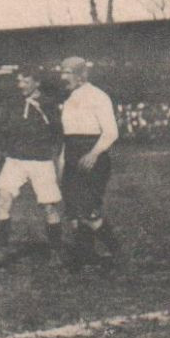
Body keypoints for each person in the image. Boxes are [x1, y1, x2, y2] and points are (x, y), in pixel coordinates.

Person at [0, 69, 64, 267]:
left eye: (25, 81)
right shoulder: (11, 103)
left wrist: (60, 157)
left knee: (49, 207)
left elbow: (59, 133)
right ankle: (1, 250)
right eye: (19, 81)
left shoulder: (49, 104)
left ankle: (56, 251)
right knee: (3, 200)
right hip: (15, 160)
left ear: (36, 82)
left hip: (41, 162)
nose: (20, 85)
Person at [58, 56, 120, 272]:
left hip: (93, 157)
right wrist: (63, 161)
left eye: (67, 73)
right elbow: (68, 136)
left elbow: (111, 132)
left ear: (81, 75)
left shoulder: (98, 96)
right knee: (73, 212)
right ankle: (86, 255)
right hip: (72, 157)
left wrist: (93, 154)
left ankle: (116, 250)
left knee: (88, 211)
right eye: (62, 73)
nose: (63, 78)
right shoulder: (69, 99)